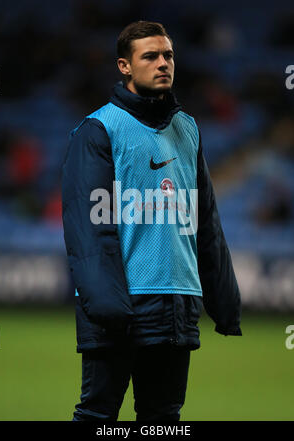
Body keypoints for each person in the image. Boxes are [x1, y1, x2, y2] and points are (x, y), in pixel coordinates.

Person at [62, 20, 242, 422]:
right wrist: (108, 308)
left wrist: (223, 300)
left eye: (169, 55)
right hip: (122, 307)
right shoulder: (98, 130)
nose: (164, 63)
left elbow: (205, 221)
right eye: (151, 56)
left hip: (177, 305)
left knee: (163, 420)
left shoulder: (188, 128)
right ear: (125, 66)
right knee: (97, 416)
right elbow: (90, 228)